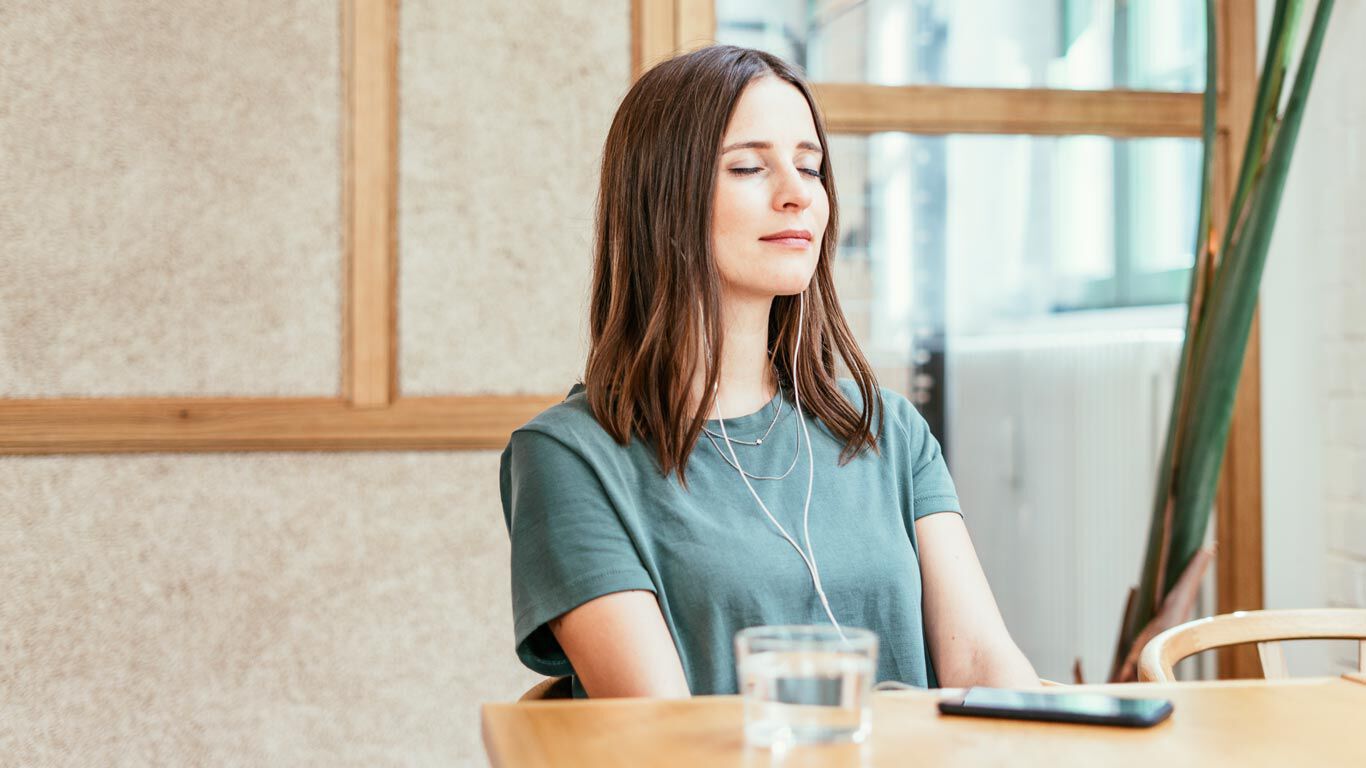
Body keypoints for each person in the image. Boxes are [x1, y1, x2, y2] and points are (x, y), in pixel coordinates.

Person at [499, 45, 1038, 699]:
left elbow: (984, 665)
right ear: (662, 195)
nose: (798, 196)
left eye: (810, 169)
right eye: (750, 167)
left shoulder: (886, 428)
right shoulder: (569, 457)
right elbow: (659, 731)